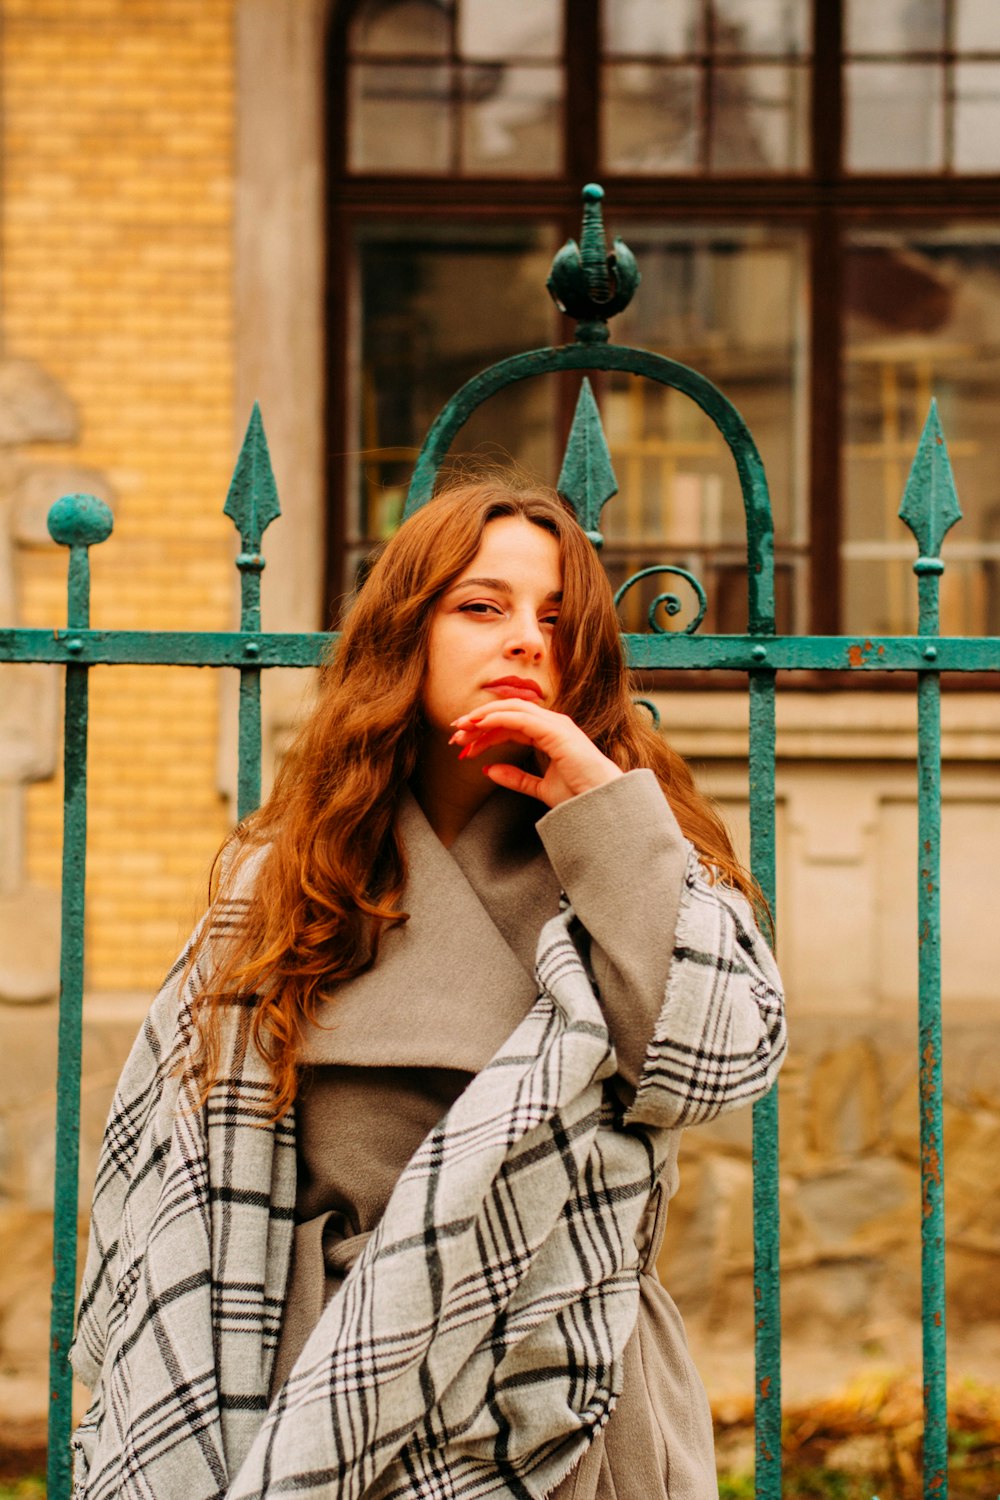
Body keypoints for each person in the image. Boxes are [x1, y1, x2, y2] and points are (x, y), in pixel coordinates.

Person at [71, 478, 786, 1500]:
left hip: (567, 1404)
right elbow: (174, 1177)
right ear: (406, 631)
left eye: (557, 618)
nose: (526, 640)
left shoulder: (634, 855)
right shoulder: (282, 878)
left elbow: (717, 1063)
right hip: (306, 1386)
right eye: (481, 607)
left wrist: (608, 816)